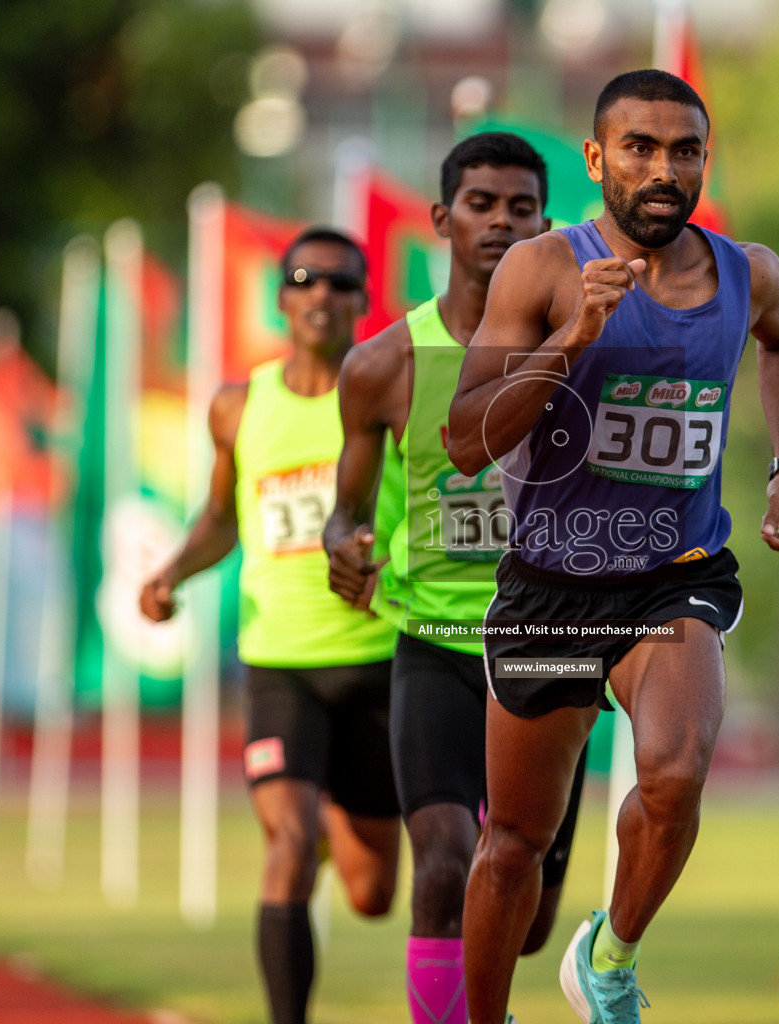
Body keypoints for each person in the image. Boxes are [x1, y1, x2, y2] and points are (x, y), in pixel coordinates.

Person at [448, 70, 779, 1024]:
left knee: (675, 772)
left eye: (686, 150)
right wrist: (574, 336)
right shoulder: (541, 269)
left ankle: (609, 957)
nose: (665, 169)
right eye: (642, 148)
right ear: (597, 158)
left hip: (673, 575)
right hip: (552, 586)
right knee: (517, 844)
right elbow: (465, 437)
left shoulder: (747, 272)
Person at [325, 132, 588, 1024]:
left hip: (552, 637)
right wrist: (346, 546)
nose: (501, 222)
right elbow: (346, 509)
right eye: (481, 203)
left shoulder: (580, 348)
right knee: (443, 862)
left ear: (544, 223)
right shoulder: (381, 366)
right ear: (442, 219)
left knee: (527, 919)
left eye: (521, 208)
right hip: (434, 644)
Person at [139, 228, 400, 1024]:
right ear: (282, 298)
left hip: (380, 657)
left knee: (372, 893)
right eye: (305, 279)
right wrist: (170, 573)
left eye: (340, 282)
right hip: (278, 660)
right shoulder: (238, 406)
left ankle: (324, 811)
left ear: (362, 300)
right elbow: (221, 517)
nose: (322, 293)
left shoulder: (390, 392)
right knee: (285, 849)